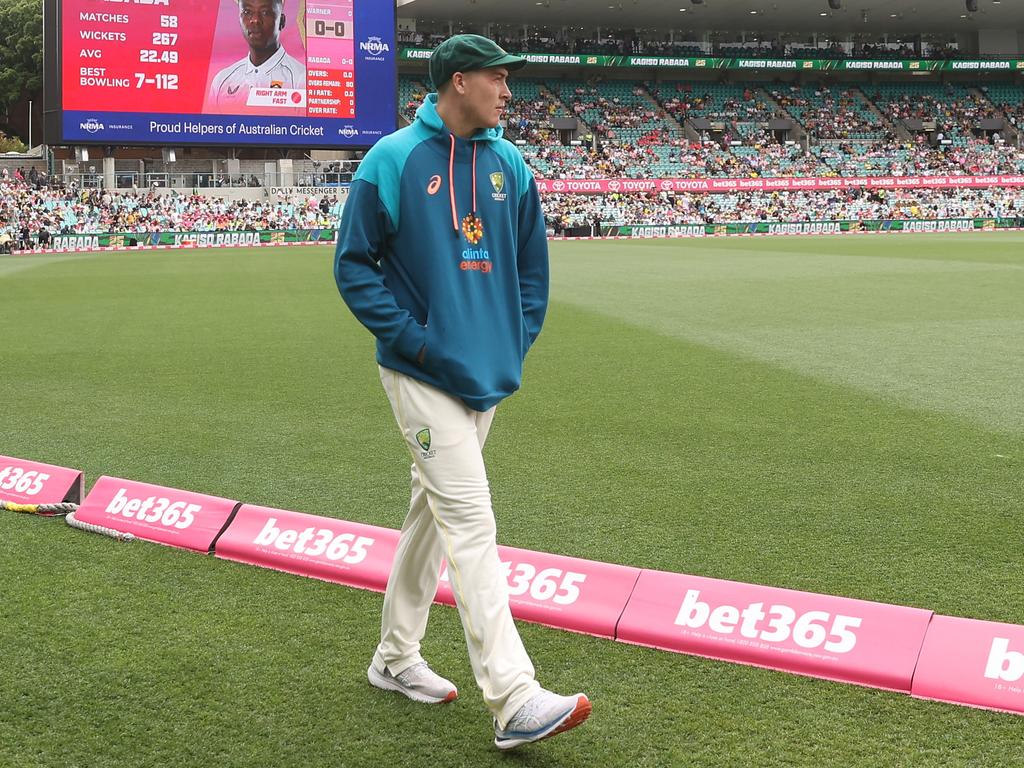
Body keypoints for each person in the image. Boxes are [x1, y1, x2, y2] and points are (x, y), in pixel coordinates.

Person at [334, 34, 590, 751]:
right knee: (471, 521)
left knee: (431, 513)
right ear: (456, 83)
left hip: (486, 377)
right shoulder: (391, 160)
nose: (508, 93)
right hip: (419, 374)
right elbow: (354, 268)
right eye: (497, 79)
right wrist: (417, 342)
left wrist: (514, 342)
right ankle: (514, 698)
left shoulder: (511, 165)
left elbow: (533, 272)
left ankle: (393, 658)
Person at [206, 0, 305, 112]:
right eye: (247, 12)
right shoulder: (222, 80)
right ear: (239, 19)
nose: (255, 20)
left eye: (265, 12)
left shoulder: (301, 79)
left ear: (281, 21)